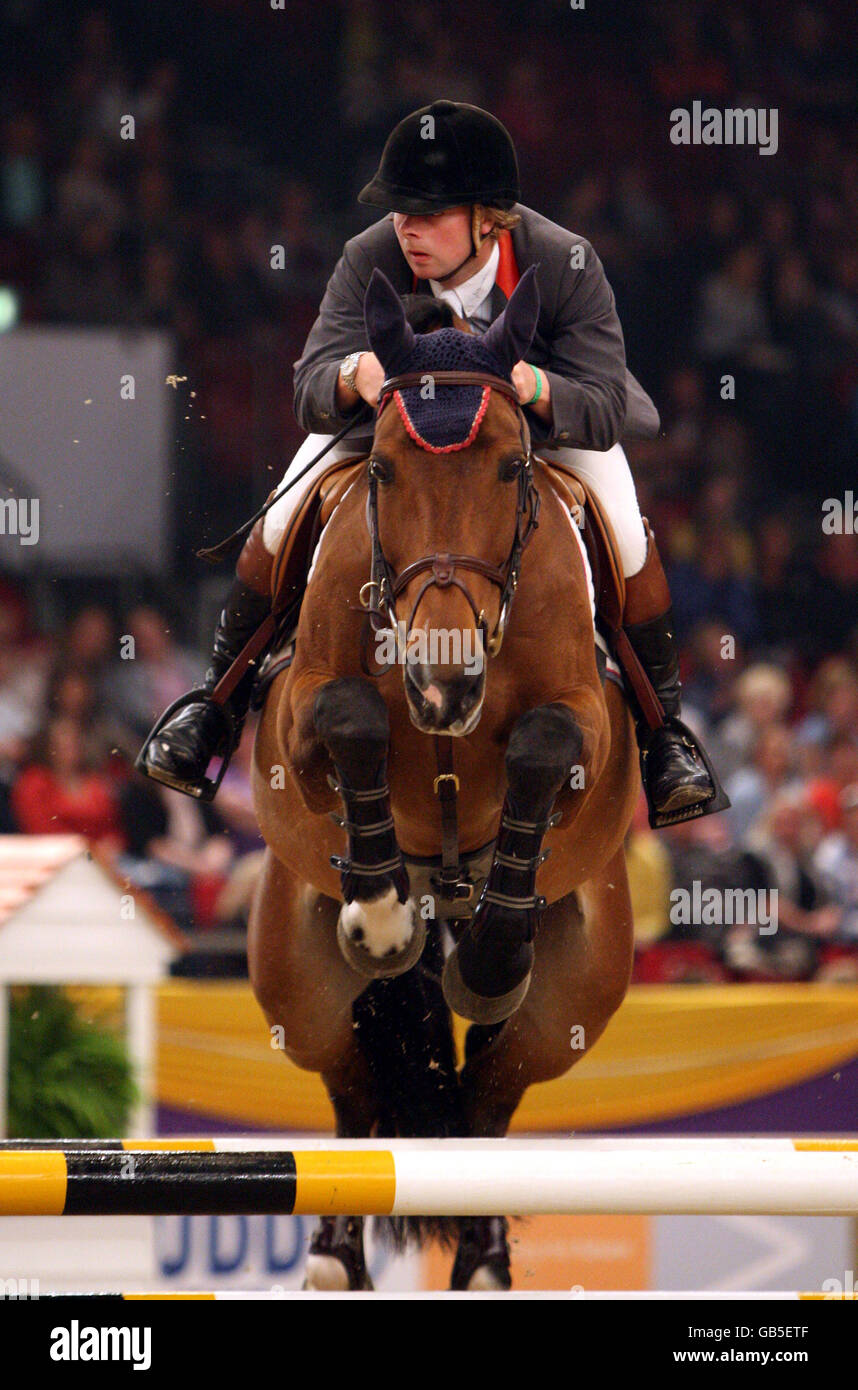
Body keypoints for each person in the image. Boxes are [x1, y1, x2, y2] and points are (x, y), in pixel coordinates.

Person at [139, 100, 724, 825]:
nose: (407, 228)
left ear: (491, 216)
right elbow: (307, 388)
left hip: (532, 430)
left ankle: (664, 737)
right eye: (399, 213)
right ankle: (214, 707)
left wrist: (533, 386)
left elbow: (604, 405)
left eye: (428, 213)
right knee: (285, 509)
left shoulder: (566, 261)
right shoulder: (369, 256)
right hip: (397, 425)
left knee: (629, 539)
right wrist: (351, 373)